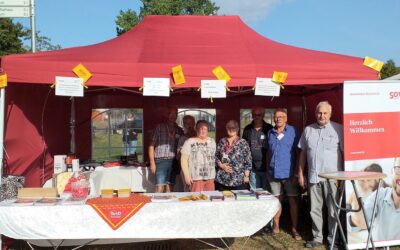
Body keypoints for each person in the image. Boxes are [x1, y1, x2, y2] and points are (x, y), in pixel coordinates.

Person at [298, 101, 344, 248]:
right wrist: (300, 173)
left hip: (333, 178)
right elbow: (303, 154)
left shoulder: (339, 129)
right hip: (313, 176)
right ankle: (317, 238)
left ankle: (333, 240)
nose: (322, 115)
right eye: (319, 112)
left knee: (333, 210)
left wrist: (343, 178)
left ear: (330, 114)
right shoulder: (308, 130)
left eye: (325, 113)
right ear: (315, 113)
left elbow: (344, 154)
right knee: (314, 209)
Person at [266, 108, 302, 240]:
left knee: (293, 200)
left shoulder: (293, 131)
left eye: (281, 116)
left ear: (286, 118)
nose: (278, 118)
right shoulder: (270, 132)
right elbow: (268, 153)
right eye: (276, 117)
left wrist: (297, 174)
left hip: (289, 174)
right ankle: (276, 226)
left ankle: (294, 228)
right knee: (276, 201)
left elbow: (299, 153)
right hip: (273, 173)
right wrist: (267, 169)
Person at [348, 158, 400, 241]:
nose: (367, 184)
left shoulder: (385, 192)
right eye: (365, 181)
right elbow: (357, 222)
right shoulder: (374, 194)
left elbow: (362, 223)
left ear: (378, 178)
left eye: (369, 180)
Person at [148, 107, 184, 193]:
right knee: (159, 187)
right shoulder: (159, 127)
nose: (173, 116)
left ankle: (168, 206)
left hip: (174, 161)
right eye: (170, 114)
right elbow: (151, 145)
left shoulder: (179, 130)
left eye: (175, 114)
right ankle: (157, 205)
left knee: (170, 187)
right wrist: (152, 163)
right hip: (161, 160)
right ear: (167, 115)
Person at [215, 120, 252, 191]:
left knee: (238, 201)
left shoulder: (243, 143)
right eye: (229, 128)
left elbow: (248, 160)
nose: (231, 129)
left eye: (233, 128)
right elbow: (216, 157)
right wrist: (221, 165)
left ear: (237, 129)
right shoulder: (222, 141)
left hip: (238, 180)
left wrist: (246, 176)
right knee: (224, 201)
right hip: (222, 179)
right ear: (226, 129)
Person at [180, 120, 216, 192]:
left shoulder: (212, 142)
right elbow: (183, 159)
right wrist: (186, 176)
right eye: (200, 128)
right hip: (195, 178)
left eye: (204, 129)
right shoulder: (189, 141)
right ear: (196, 129)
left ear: (207, 130)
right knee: (196, 200)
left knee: (209, 200)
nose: (202, 130)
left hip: (210, 177)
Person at [242, 107, 273, 190]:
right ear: (252, 116)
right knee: (254, 192)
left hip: (266, 167)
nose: (257, 117)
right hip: (252, 168)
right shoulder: (247, 129)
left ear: (263, 116)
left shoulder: (269, 128)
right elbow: (244, 148)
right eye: (254, 115)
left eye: (259, 115)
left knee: (267, 193)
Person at [175, 115, 196, 191]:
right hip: (186, 169)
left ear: (194, 123)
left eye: (190, 123)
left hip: (198, 169)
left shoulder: (200, 137)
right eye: (186, 123)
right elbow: (178, 157)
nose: (189, 125)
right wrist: (183, 149)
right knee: (187, 189)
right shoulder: (182, 138)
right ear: (184, 125)